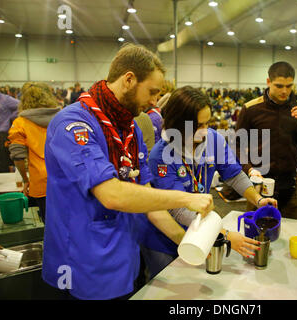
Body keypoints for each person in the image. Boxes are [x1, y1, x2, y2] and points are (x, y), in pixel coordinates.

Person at [42, 43, 214, 300]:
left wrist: (186, 244)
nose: (155, 101)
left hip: (123, 260)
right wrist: (186, 198)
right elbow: (113, 195)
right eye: (152, 92)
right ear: (129, 79)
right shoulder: (73, 125)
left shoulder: (128, 129)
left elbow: (148, 201)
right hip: (83, 264)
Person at [138, 86, 278, 280]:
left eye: (207, 123)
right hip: (164, 239)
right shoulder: (160, 156)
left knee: (197, 286)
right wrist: (224, 235)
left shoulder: (213, 139)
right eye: (198, 126)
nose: (205, 131)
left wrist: (258, 199)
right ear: (178, 125)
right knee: (171, 287)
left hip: (201, 232)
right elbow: (178, 210)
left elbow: (234, 175)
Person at [236, 61, 297, 219]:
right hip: (259, 184)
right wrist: (249, 169)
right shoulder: (251, 109)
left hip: (290, 184)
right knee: (256, 232)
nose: (285, 91)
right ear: (268, 82)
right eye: (279, 86)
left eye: (289, 86)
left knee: (292, 231)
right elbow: (236, 147)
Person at [7, 82, 62, 223]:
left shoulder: (20, 123)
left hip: (41, 182)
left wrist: (26, 180)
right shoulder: (62, 117)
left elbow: (18, 156)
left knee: (49, 225)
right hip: (66, 178)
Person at [0, 80, 19, 173]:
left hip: (0, 136)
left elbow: (20, 105)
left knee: (1, 164)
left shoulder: (6, 99)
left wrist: (12, 117)